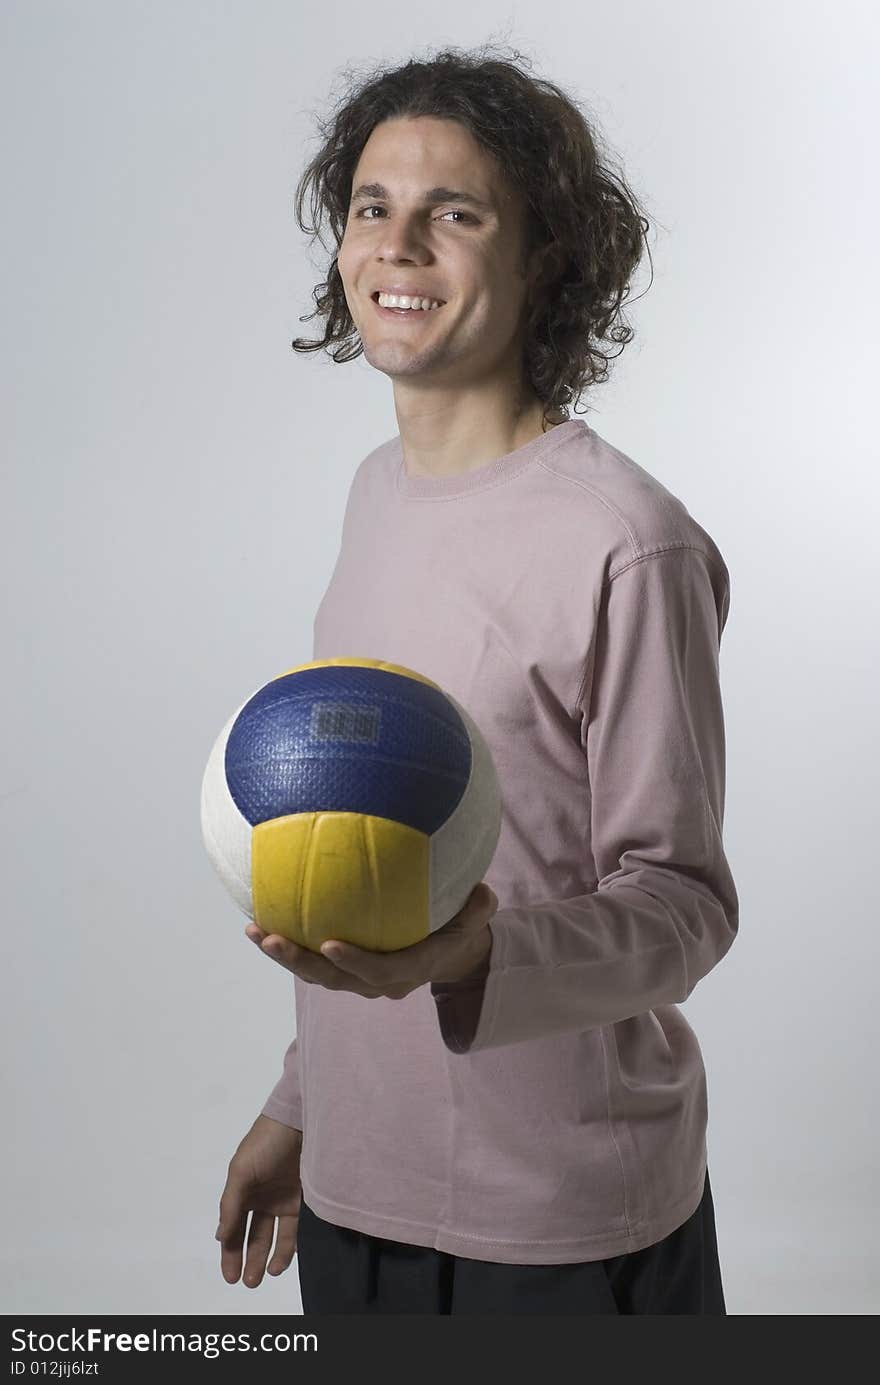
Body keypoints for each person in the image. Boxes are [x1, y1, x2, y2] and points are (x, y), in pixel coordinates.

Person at [215, 43, 737, 1315]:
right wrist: (305, 1100)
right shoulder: (375, 496)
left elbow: (682, 905)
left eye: (454, 213)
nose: (398, 246)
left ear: (542, 257)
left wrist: (472, 957)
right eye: (371, 208)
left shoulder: (628, 541)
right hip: (356, 1191)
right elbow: (377, 845)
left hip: (564, 1221)